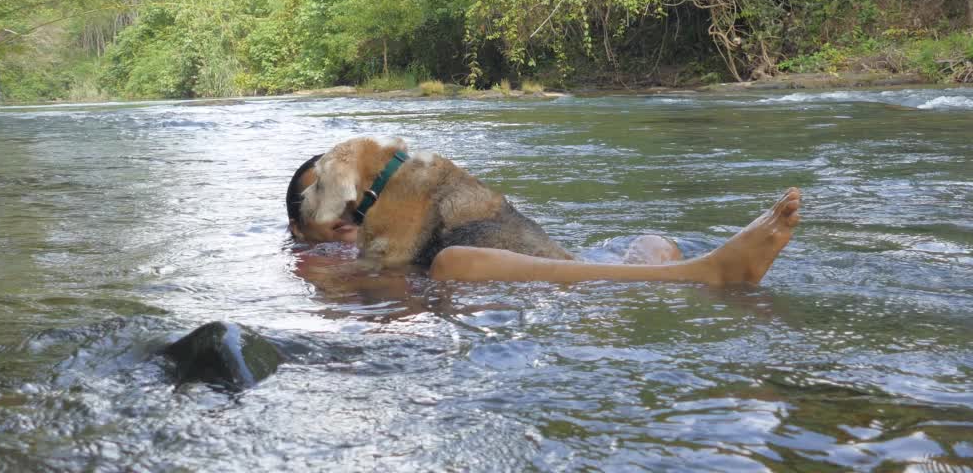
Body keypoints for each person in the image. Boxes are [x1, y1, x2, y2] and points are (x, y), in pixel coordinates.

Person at [285, 153, 802, 287]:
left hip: (540, 277)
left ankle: (663, 278)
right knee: (454, 261)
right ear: (300, 228)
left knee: (651, 238)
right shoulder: (313, 264)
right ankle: (702, 275)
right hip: (499, 283)